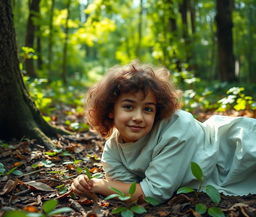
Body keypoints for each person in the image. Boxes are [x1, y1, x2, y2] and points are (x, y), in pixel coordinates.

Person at [71, 62, 256, 203]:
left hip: (238, 151)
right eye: (128, 106)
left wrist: (98, 184)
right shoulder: (113, 148)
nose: (138, 117)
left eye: (148, 109)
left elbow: (154, 193)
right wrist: (88, 183)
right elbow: (129, 190)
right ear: (111, 110)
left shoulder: (177, 128)